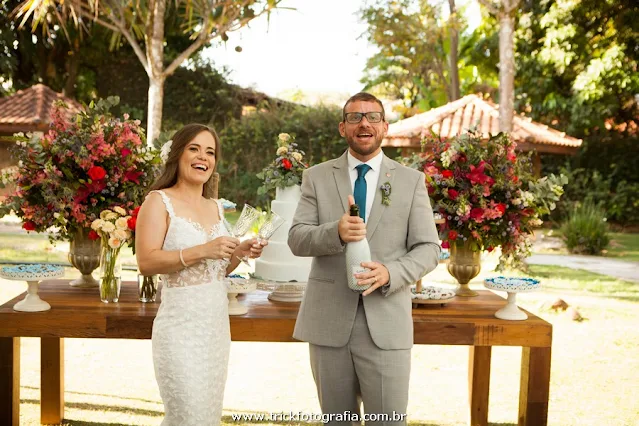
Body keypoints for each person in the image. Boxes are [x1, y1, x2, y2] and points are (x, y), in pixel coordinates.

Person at [288, 92, 441, 425]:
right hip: (328, 323)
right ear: (343, 127)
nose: (364, 123)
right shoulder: (316, 177)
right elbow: (297, 239)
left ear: (384, 126)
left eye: (372, 117)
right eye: (354, 117)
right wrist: (335, 232)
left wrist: (391, 272)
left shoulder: (411, 181)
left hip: (387, 323)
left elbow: (429, 248)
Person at [135, 123, 265, 425]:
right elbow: (146, 262)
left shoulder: (217, 207)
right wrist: (204, 249)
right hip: (179, 330)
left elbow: (217, 270)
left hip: (215, 330)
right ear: (177, 154)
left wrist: (239, 252)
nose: (203, 157)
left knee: (207, 416)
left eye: (210, 152)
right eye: (194, 149)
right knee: (187, 416)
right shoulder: (158, 201)